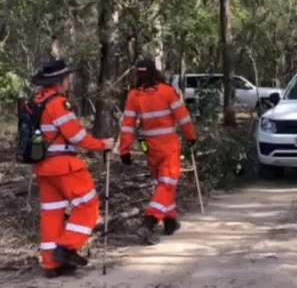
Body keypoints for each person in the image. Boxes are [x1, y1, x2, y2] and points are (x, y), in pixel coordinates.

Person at [29, 59, 114, 278]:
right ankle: (66, 249)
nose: (69, 81)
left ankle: (51, 264)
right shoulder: (58, 103)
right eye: (67, 77)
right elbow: (76, 136)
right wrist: (102, 144)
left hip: (42, 166)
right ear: (60, 81)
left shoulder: (35, 101)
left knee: (52, 213)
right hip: (64, 166)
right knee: (88, 205)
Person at [119, 59, 196, 245]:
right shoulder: (167, 91)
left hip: (150, 147)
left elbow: (128, 125)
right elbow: (183, 118)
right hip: (168, 145)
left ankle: (169, 221)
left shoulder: (134, 95)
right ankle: (149, 222)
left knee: (161, 184)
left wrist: (125, 149)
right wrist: (191, 137)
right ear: (156, 72)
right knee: (167, 184)